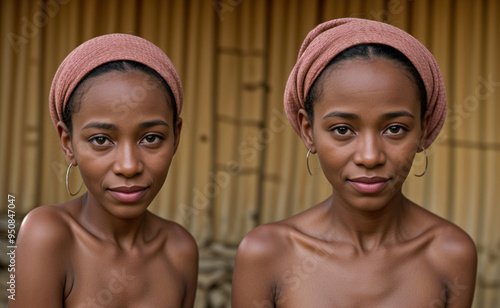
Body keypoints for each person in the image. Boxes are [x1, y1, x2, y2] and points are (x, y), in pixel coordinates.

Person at [232, 18, 477, 307]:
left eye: (395, 129)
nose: (370, 157)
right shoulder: (266, 253)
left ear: (423, 130)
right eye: (342, 130)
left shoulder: (451, 253)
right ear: (308, 131)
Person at [12, 34, 198, 307]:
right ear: (68, 144)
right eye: (101, 140)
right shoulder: (47, 236)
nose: (128, 166)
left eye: (151, 138)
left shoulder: (180, 250)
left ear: (176, 137)